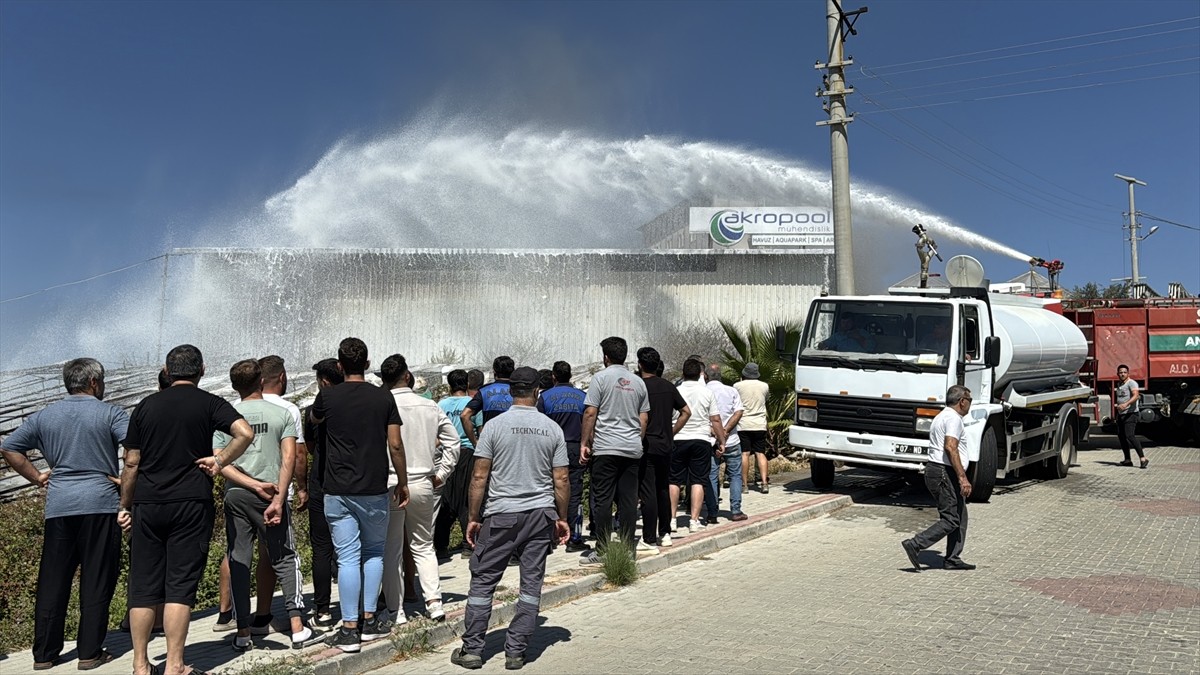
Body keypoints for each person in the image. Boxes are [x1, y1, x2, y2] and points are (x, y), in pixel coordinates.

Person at [118, 344, 255, 675]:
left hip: (148, 504)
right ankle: (175, 665)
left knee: (144, 587)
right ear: (202, 369)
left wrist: (125, 505)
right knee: (179, 585)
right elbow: (245, 433)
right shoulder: (209, 403)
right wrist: (220, 460)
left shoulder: (145, 406)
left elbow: (132, 461)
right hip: (191, 502)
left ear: (167, 372)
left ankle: (139, 665)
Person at [1, 358, 128, 671]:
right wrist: (126, 481)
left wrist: (38, 476)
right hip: (100, 502)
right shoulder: (110, 413)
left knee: (53, 580)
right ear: (94, 382)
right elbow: (137, 450)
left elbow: (10, 448)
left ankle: (44, 654)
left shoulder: (44, 415)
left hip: (59, 506)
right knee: (97, 579)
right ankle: (89, 652)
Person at [450, 367, 570, 671]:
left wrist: (473, 517)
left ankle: (473, 649)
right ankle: (516, 651)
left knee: (483, 581)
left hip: (501, 515)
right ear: (537, 392)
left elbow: (479, 476)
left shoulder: (494, 427)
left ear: (510, 391)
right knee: (531, 583)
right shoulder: (551, 428)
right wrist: (562, 517)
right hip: (540, 515)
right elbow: (562, 479)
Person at [215, 359, 322, 651]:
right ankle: (298, 627)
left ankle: (242, 632)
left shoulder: (226, 418)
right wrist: (279, 495)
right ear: (261, 381)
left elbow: (219, 463)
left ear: (235, 385)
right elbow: (290, 457)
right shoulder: (281, 413)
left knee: (239, 559)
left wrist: (247, 483)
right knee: (285, 556)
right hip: (273, 493)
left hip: (237, 494)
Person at [311, 337, 410, 653]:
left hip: (337, 489)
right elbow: (395, 444)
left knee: (347, 557)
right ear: (367, 364)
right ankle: (369, 622)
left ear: (339, 365)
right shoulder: (383, 398)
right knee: (374, 553)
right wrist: (403, 481)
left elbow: (313, 423)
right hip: (373, 487)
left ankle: (349, 628)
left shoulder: (327, 397)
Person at [381, 354, 461, 626]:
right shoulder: (429, 405)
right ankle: (434, 603)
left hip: (391, 483)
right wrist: (442, 473)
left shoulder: (381, 405)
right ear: (407, 376)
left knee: (391, 548)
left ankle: (396, 610)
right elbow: (454, 442)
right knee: (423, 545)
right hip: (424, 482)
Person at [578, 337, 651, 566]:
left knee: (602, 500)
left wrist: (585, 443)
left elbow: (590, 413)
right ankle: (629, 549)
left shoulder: (600, 379)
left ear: (606, 357)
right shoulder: (638, 382)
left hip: (606, 448)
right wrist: (635, 440)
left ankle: (602, 548)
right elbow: (644, 416)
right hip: (631, 449)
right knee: (628, 500)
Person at [901, 385, 975, 572]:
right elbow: (950, 447)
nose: (970, 405)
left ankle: (952, 558)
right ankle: (916, 544)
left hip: (937, 470)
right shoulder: (953, 419)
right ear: (962, 401)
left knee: (961, 515)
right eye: (970, 401)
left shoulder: (942, 416)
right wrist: (962, 478)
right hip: (944, 472)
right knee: (951, 519)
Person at [302, 358, 343, 627]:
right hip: (348, 481)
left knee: (321, 548)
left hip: (320, 481)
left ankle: (322, 610)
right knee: (353, 547)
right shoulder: (353, 406)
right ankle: (363, 606)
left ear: (324, 382)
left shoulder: (311, 412)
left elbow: (310, 445)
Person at [636, 348, 690, 548]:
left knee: (647, 491)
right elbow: (686, 411)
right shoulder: (668, 386)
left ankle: (649, 537)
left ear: (640, 364)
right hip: (666, 445)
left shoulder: (639, 386)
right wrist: (672, 431)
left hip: (646, 444)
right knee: (662, 488)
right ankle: (665, 532)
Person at [537, 360, 589, 552]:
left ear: (553, 376)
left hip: (550, 449)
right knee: (574, 492)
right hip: (575, 447)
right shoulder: (582, 396)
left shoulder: (545, 397)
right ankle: (574, 538)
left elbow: (539, 424)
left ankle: (550, 536)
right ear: (570, 376)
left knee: (549, 490)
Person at [672, 358, 726, 534]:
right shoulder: (706, 392)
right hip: (701, 439)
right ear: (701, 374)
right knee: (698, 481)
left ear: (683, 373)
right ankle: (694, 521)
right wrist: (721, 440)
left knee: (673, 480)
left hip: (678, 438)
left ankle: (671, 519)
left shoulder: (676, 390)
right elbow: (715, 419)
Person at [434, 369, 476, 560]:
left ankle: (441, 546)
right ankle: (468, 546)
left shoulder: (441, 404)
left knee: (446, 500)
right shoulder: (472, 404)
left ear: (450, 386)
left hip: (446, 454)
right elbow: (478, 428)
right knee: (467, 499)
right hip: (467, 453)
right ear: (467, 385)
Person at [706, 364, 746, 522]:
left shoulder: (704, 392)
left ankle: (712, 512)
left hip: (711, 440)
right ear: (720, 376)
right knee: (735, 475)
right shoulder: (731, 391)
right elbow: (739, 411)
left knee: (712, 476)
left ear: (706, 376)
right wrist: (727, 430)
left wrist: (717, 433)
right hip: (732, 440)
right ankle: (736, 510)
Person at [461, 356, 514, 449]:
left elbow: (464, 415)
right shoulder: (520, 392)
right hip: (514, 444)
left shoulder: (484, 391)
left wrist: (475, 442)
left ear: (494, 371)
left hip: (491, 445)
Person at [733, 362, 771, 494]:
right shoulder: (764, 386)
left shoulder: (737, 386)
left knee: (745, 454)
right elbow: (766, 399)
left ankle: (744, 485)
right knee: (760, 453)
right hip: (760, 423)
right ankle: (764, 483)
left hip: (743, 424)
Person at [1114, 363, 1148, 469]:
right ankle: (1127, 460)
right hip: (1121, 414)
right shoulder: (1119, 384)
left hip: (1131, 413)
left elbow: (1136, 396)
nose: (1123, 374)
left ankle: (1143, 458)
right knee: (1122, 436)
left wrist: (1125, 404)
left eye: (1124, 372)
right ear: (1117, 374)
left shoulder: (1131, 383)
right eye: (1121, 372)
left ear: (1128, 373)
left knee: (1130, 435)